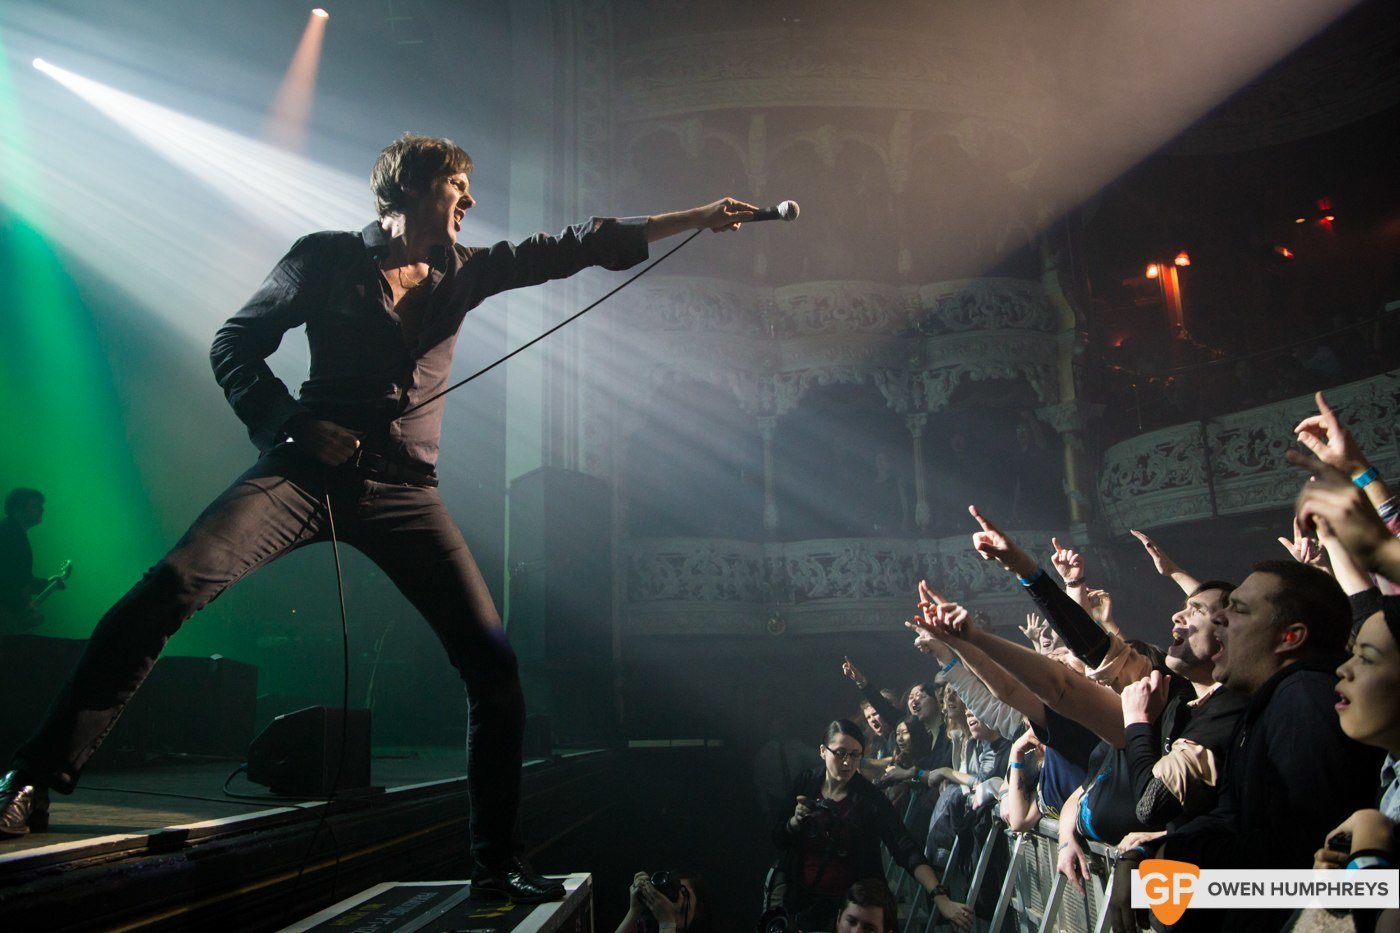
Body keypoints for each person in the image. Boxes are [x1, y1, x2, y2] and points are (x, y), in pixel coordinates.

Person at [0, 133, 758, 901]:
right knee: (168, 587)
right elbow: (235, 342)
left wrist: (695, 215)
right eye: (457, 183)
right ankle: (33, 779)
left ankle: (495, 861)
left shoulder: (468, 271)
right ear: (408, 189)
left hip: (406, 491)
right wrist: (291, 423)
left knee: (494, 670)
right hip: (304, 473)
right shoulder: (325, 258)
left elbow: (574, 245)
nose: (469, 200)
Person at [771, 719, 972, 931]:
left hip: (856, 909)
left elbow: (904, 847)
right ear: (823, 751)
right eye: (840, 753)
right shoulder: (806, 783)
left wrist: (941, 898)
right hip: (804, 904)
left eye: (855, 755)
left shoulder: (870, 798)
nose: (847, 762)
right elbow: (778, 838)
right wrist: (794, 823)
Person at [0, 488, 59, 633]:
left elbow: (19, 578)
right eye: (35, 505)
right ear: (17, 509)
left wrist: (47, 583)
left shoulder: (13, 531)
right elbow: (7, 579)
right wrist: (21, 606)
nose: (41, 509)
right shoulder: (9, 533)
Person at [616, 870, 713, 933]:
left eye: (683, 893)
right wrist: (635, 910)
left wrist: (667, 923)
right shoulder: (644, 927)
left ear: (698, 909)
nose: (668, 902)